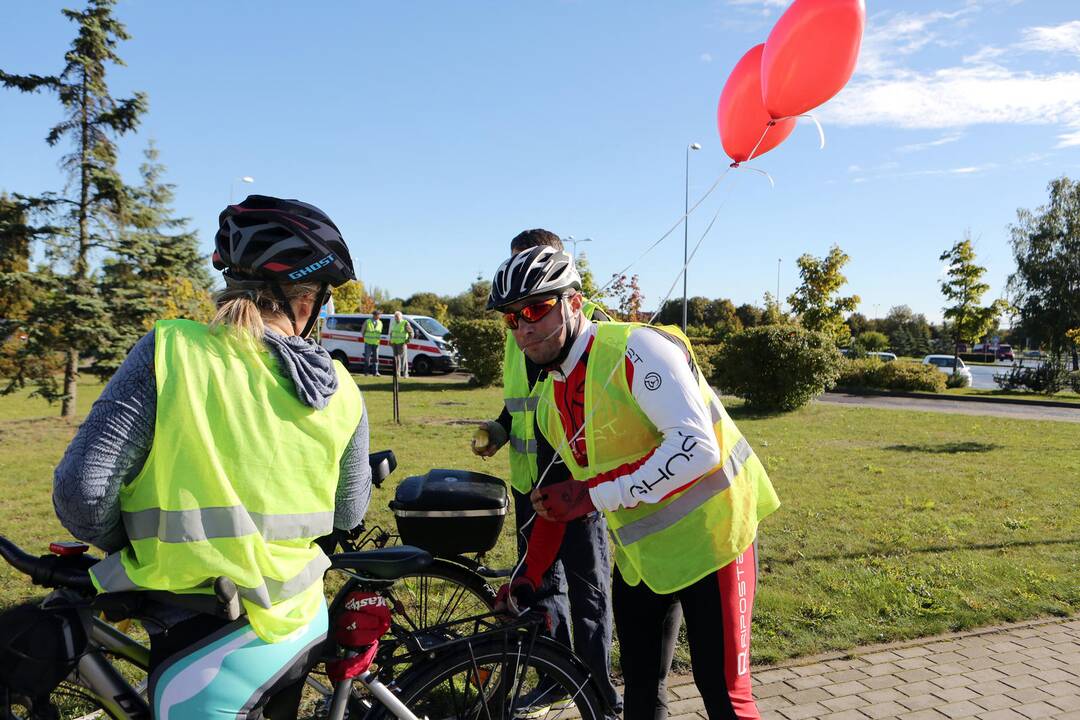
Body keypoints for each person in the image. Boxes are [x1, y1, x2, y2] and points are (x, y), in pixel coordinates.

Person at [52, 195, 371, 719]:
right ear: (306, 299)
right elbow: (349, 514)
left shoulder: (172, 352)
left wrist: (137, 548)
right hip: (299, 622)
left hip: (204, 643)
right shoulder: (343, 391)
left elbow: (83, 493)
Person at [486, 247, 780, 720]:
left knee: (724, 695)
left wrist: (594, 494)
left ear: (574, 303)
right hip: (647, 558)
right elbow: (557, 504)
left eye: (537, 308)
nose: (524, 328)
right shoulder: (549, 401)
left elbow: (696, 448)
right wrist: (529, 576)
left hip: (716, 540)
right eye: (512, 318)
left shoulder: (638, 350)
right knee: (642, 693)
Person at [472, 229, 623, 718]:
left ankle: (599, 689)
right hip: (528, 483)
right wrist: (498, 427)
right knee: (541, 586)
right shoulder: (518, 329)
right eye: (515, 311)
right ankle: (554, 678)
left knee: (589, 590)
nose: (523, 313)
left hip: (576, 485)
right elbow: (517, 400)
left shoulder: (589, 330)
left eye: (536, 303)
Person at [389, 310, 413, 377]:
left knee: (403, 359)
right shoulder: (394, 323)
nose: (396, 318)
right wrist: (390, 340)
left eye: (397, 317)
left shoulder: (405, 323)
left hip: (402, 343)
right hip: (394, 343)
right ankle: (397, 373)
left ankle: (405, 374)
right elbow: (391, 333)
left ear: (401, 317)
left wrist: (407, 341)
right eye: (395, 317)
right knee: (396, 359)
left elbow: (411, 333)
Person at [363, 310, 383, 376]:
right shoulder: (367, 321)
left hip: (376, 343)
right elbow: (363, 331)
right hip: (368, 342)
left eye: (379, 315)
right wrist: (366, 338)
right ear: (374, 315)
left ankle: (375, 372)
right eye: (378, 315)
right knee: (367, 358)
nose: (379, 316)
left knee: (376, 358)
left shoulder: (380, 323)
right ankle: (366, 372)